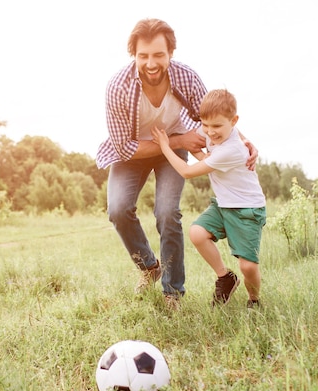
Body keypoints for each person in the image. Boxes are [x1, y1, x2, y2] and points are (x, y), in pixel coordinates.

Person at [95, 18, 258, 310]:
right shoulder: (118, 88)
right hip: (134, 152)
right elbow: (124, 147)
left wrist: (243, 141)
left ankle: (173, 292)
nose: (151, 63)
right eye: (143, 56)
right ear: (134, 55)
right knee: (118, 209)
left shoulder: (186, 77)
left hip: (172, 147)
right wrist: (179, 142)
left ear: (171, 52)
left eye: (159, 54)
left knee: (167, 212)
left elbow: (215, 115)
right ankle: (148, 266)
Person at [151, 89, 266, 308]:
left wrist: (165, 146)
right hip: (223, 205)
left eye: (217, 127)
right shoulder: (216, 131)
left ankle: (254, 301)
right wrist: (203, 154)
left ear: (234, 121)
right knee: (197, 233)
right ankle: (225, 278)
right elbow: (200, 149)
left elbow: (186, 171)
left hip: (247, 210)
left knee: (248, 267)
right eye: (205, 125)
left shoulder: (232, 149)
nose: (210, 133)